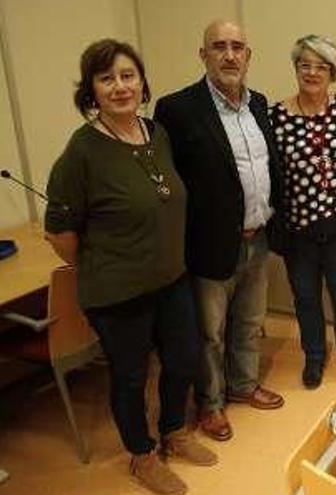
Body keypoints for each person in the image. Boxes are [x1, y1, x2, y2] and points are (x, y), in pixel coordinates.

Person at [45, 39, 216, 495]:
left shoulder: (154, 133)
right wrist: (105, 264)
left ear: (141, 82)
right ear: (91, 91)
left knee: (183, 360)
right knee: (130, 376)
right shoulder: (81, 152)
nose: (120, 86)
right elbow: (60, 232)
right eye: (107, 78)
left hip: (171, 279)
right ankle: (142, 456)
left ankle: (175, 431)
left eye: (127, 75)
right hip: (118, 292)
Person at [154, 20, 285, 443]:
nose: (229, 55)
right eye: (219, 47)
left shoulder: (260, 104)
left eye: (237, 47)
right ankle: (210, 404)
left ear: (249, 56)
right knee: (210, 333)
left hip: (258, 237)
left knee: (249, 321)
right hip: (209, 245)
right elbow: (169, 183)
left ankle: (243, 385)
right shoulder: (177, 109)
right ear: (203, 55)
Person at [268, 35, 336, 392]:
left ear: (332, 73)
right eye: (305, 65)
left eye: (321, 67)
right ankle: (314, 357)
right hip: (299, 231)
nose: (312, 72)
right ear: (296, 69)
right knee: (306, 298)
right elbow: (270, 172)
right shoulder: (277, 116)